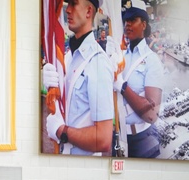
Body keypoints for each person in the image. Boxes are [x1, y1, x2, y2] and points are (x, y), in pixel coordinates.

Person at [42, 0, 114, 156]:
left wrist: (62, 131)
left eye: (74, 4)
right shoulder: (67, 58)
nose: (68, 10)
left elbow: (103, 139)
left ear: (88, 12)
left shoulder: (98, 63)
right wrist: (52, 88)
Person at [116, 0, 164, 158]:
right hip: (117, 136)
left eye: (133, 20)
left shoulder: (152, 61)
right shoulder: (120, 56)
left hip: (140, 139)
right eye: (126, 21)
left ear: (143, 24)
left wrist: (122, 86)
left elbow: (151, 115)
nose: (127, 24)